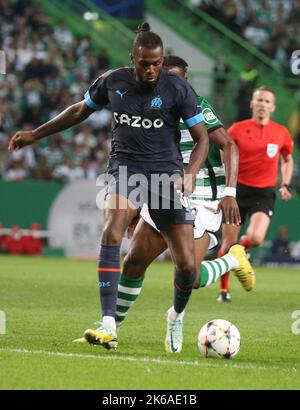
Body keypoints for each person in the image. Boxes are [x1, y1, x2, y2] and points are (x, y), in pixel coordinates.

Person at [8, 23, 210, 351]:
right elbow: (78, 111)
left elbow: (202, 139)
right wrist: (36, 134)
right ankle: (108, 323)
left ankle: (176, 314)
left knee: (187, 266)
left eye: (156, 64)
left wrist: (189, 174)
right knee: (111, 231)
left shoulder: (177, 89)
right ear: (133, 59)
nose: (151, 70)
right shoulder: (113, 82)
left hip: (165, 176)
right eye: (144, 64)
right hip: (126, 171)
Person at [114, 56, 255, 353]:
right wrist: (135, 206)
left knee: (188, 276)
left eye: (175, 80)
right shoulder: (149, 108)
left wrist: (230, 191)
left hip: (202, 198)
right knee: (134, 261)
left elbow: (229, 145)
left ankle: (179, 313)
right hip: (164, 192)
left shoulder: (197, 105)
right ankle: (110, 327)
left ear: (186, 82)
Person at [218, 86, 294, 302]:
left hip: (264, 192)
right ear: (252, 103)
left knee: (256, 238)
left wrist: (285, 184)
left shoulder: (281, 132)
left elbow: (287, 159)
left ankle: (243, 250)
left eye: (267, 101)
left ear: (273, 107)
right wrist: (224, 185)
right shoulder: (237, 129)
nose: (262, 104)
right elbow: (224, 154)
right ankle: (224, 290)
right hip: (237, 190)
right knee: (227, 244)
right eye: (259, 100)